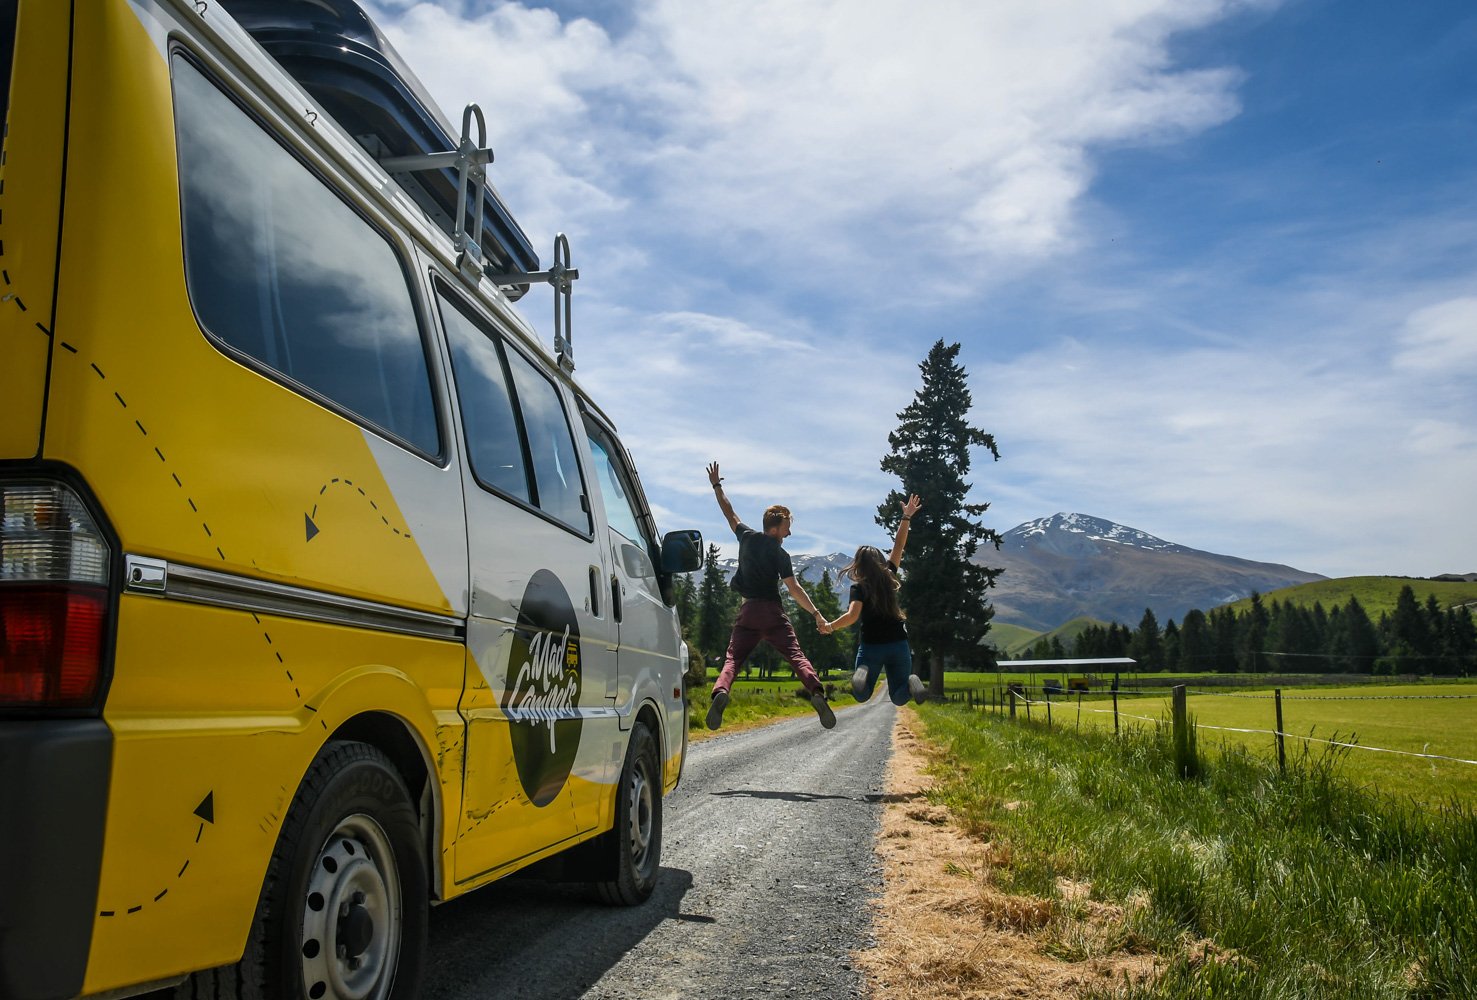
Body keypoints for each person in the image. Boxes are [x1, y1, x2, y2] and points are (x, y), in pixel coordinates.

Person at [704, 462, 837, 731]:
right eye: (787, 527)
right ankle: (817, 693)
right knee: (796, 655)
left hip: (748, 613)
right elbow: (794, 588)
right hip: (772, 614)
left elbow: (729, 513)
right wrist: (816, 614)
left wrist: (717, 486)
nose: (789, 533)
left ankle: (720, 692)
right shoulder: (780, 554)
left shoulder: (746, 537)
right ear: (775, 528)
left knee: (732, 659)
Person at [824, 494, 927, 706]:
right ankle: (910, 683)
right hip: (898, 643)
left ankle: (861, 674)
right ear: (880, 561)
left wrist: (831, 626)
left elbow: (852, 616)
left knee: (862, 694)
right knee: (899, 696)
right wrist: (906, 517)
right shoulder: (889, 576)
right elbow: (899, 546)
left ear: (859, 565)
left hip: (872, 647)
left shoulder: (859, 588)